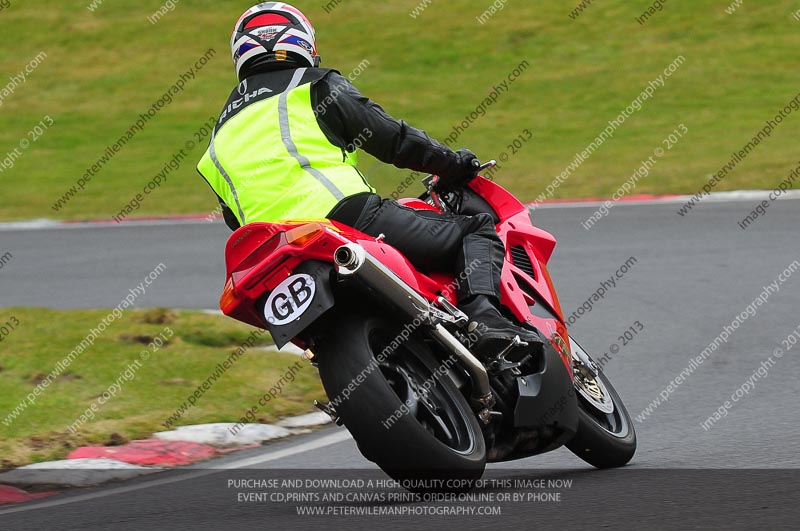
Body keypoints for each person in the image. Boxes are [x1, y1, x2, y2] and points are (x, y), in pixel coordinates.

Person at [196, 2, 540, 356]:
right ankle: (485, 320)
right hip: (343, 218)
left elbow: (233, 218)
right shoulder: (312, 85)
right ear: (305, 43)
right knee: (475, 228)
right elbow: (392, 138)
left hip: (270, 254)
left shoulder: (216, 140)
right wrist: (453, 164)